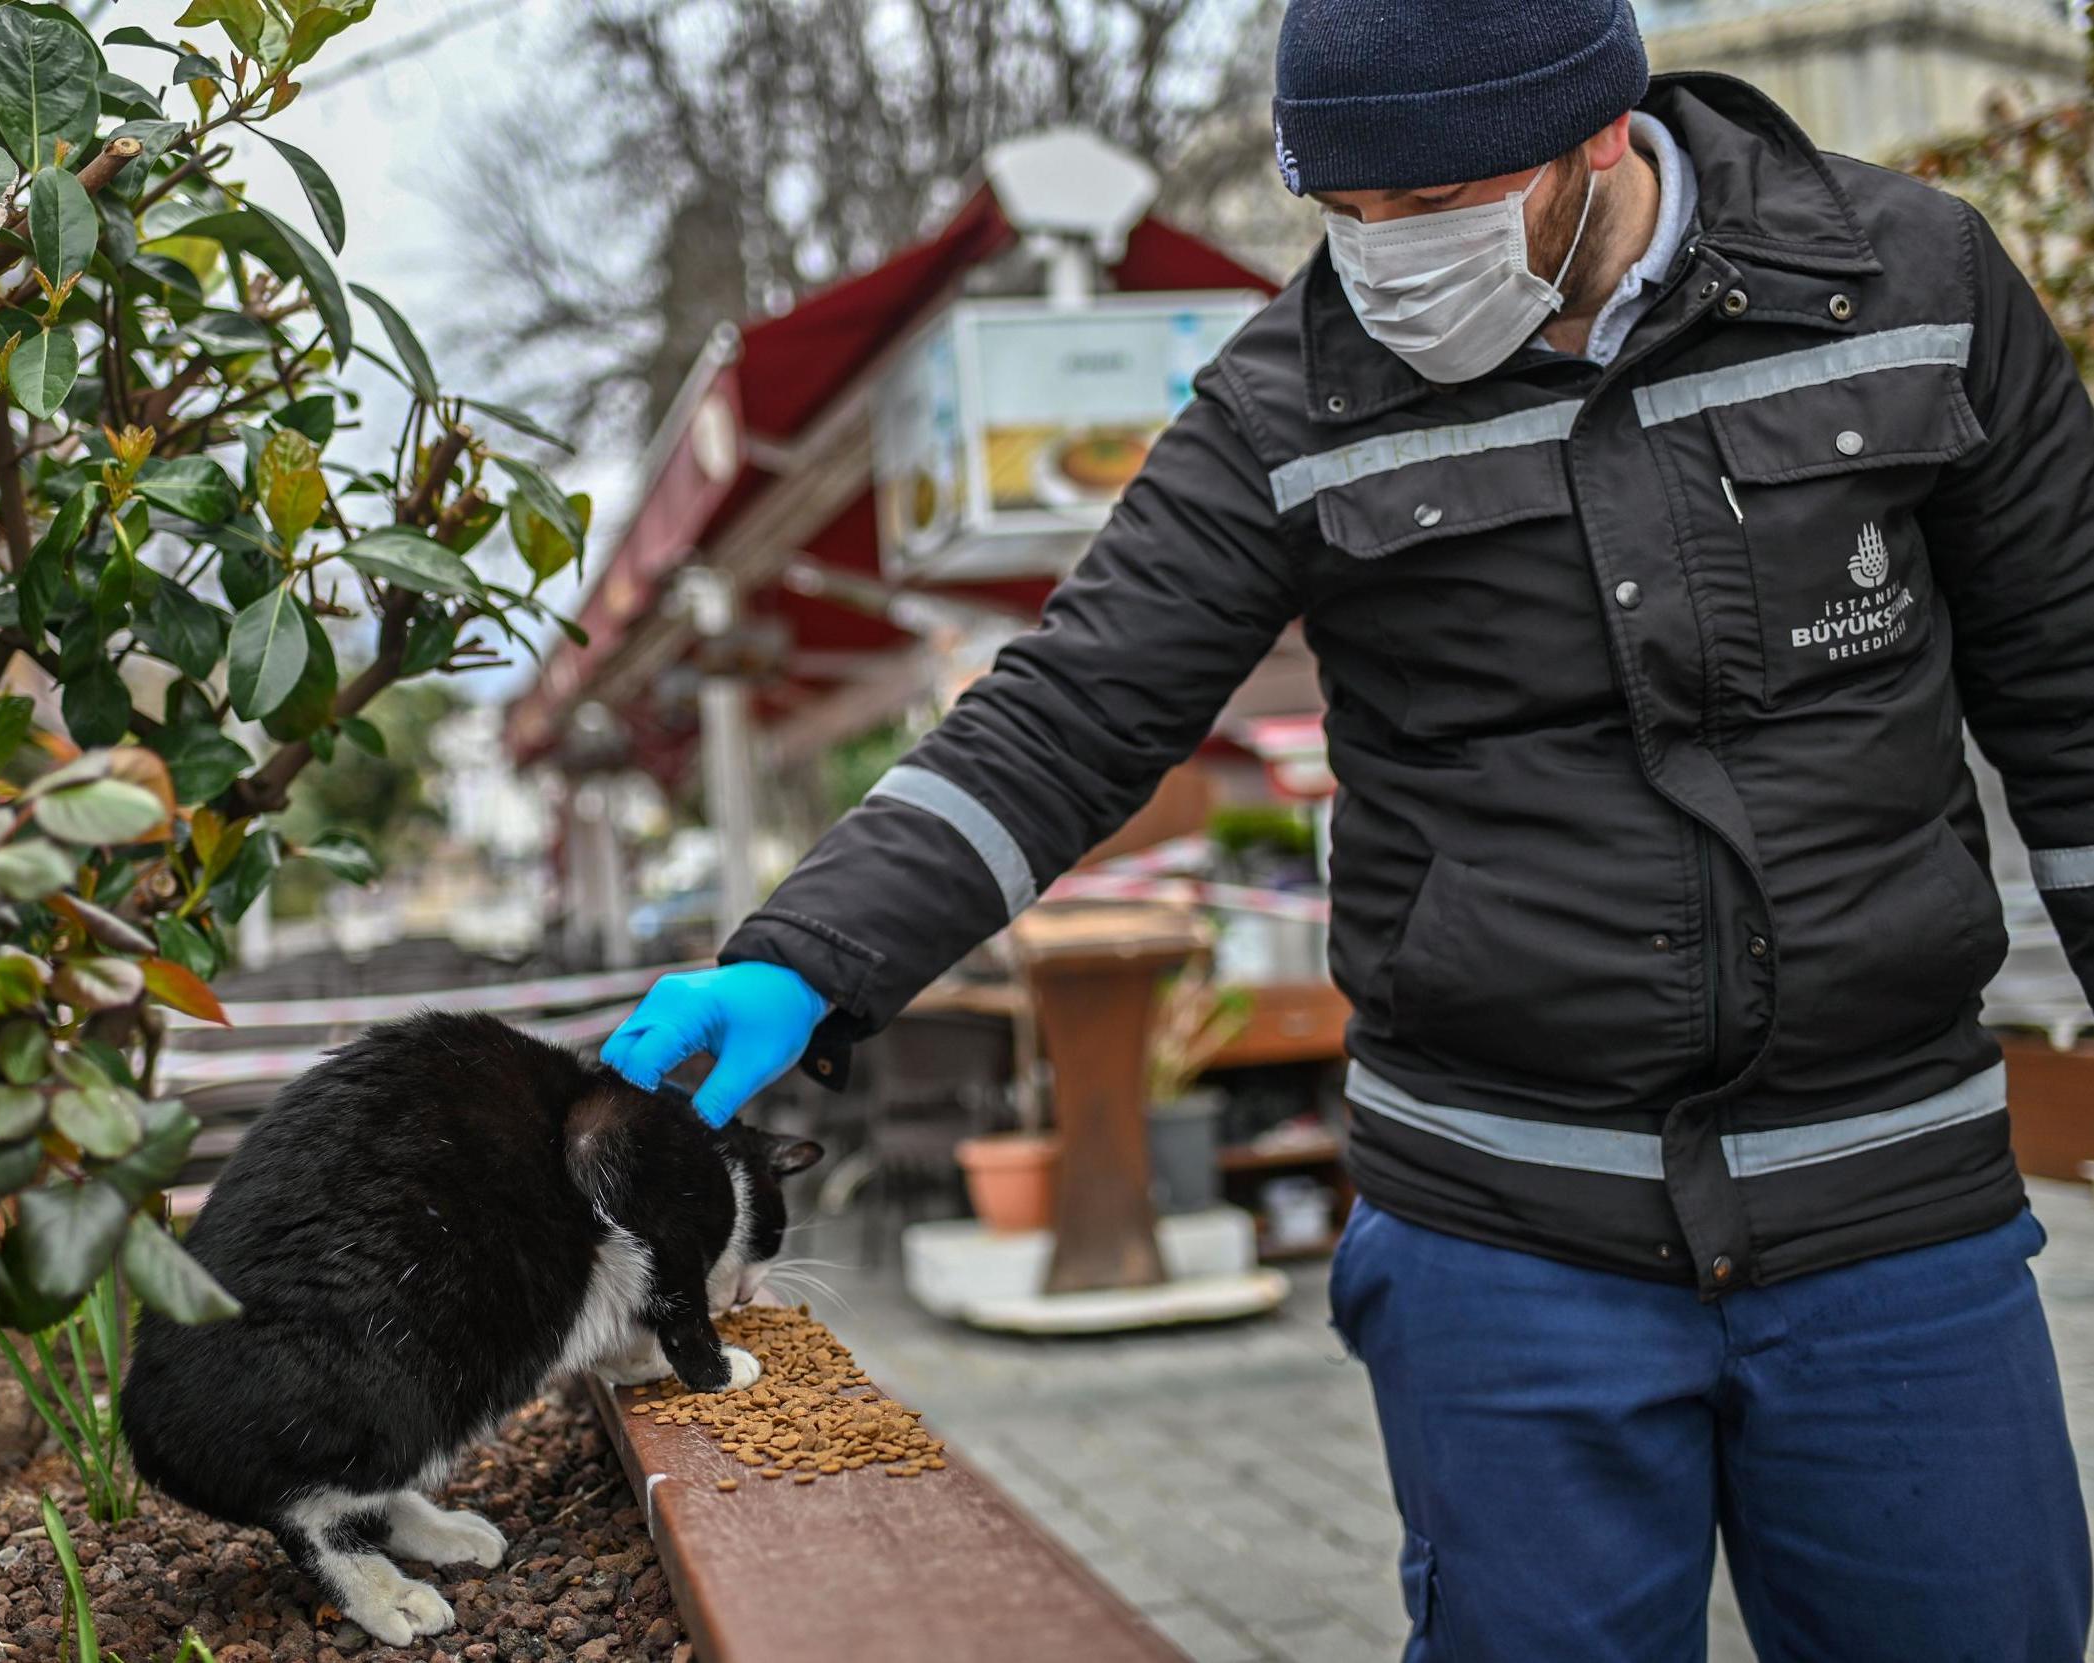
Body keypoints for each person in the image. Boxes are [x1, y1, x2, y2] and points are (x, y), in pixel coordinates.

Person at [601, 0, 2094, 1655]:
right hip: (1507, 1233)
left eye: (1433, 209)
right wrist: (804, 959)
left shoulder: (1908, 288)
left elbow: (2074, 694)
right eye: (1345, 213)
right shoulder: (1287, 404)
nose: (1384, 259)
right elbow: (1073, 709)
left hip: (1891, 1211)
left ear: (1598, 135)